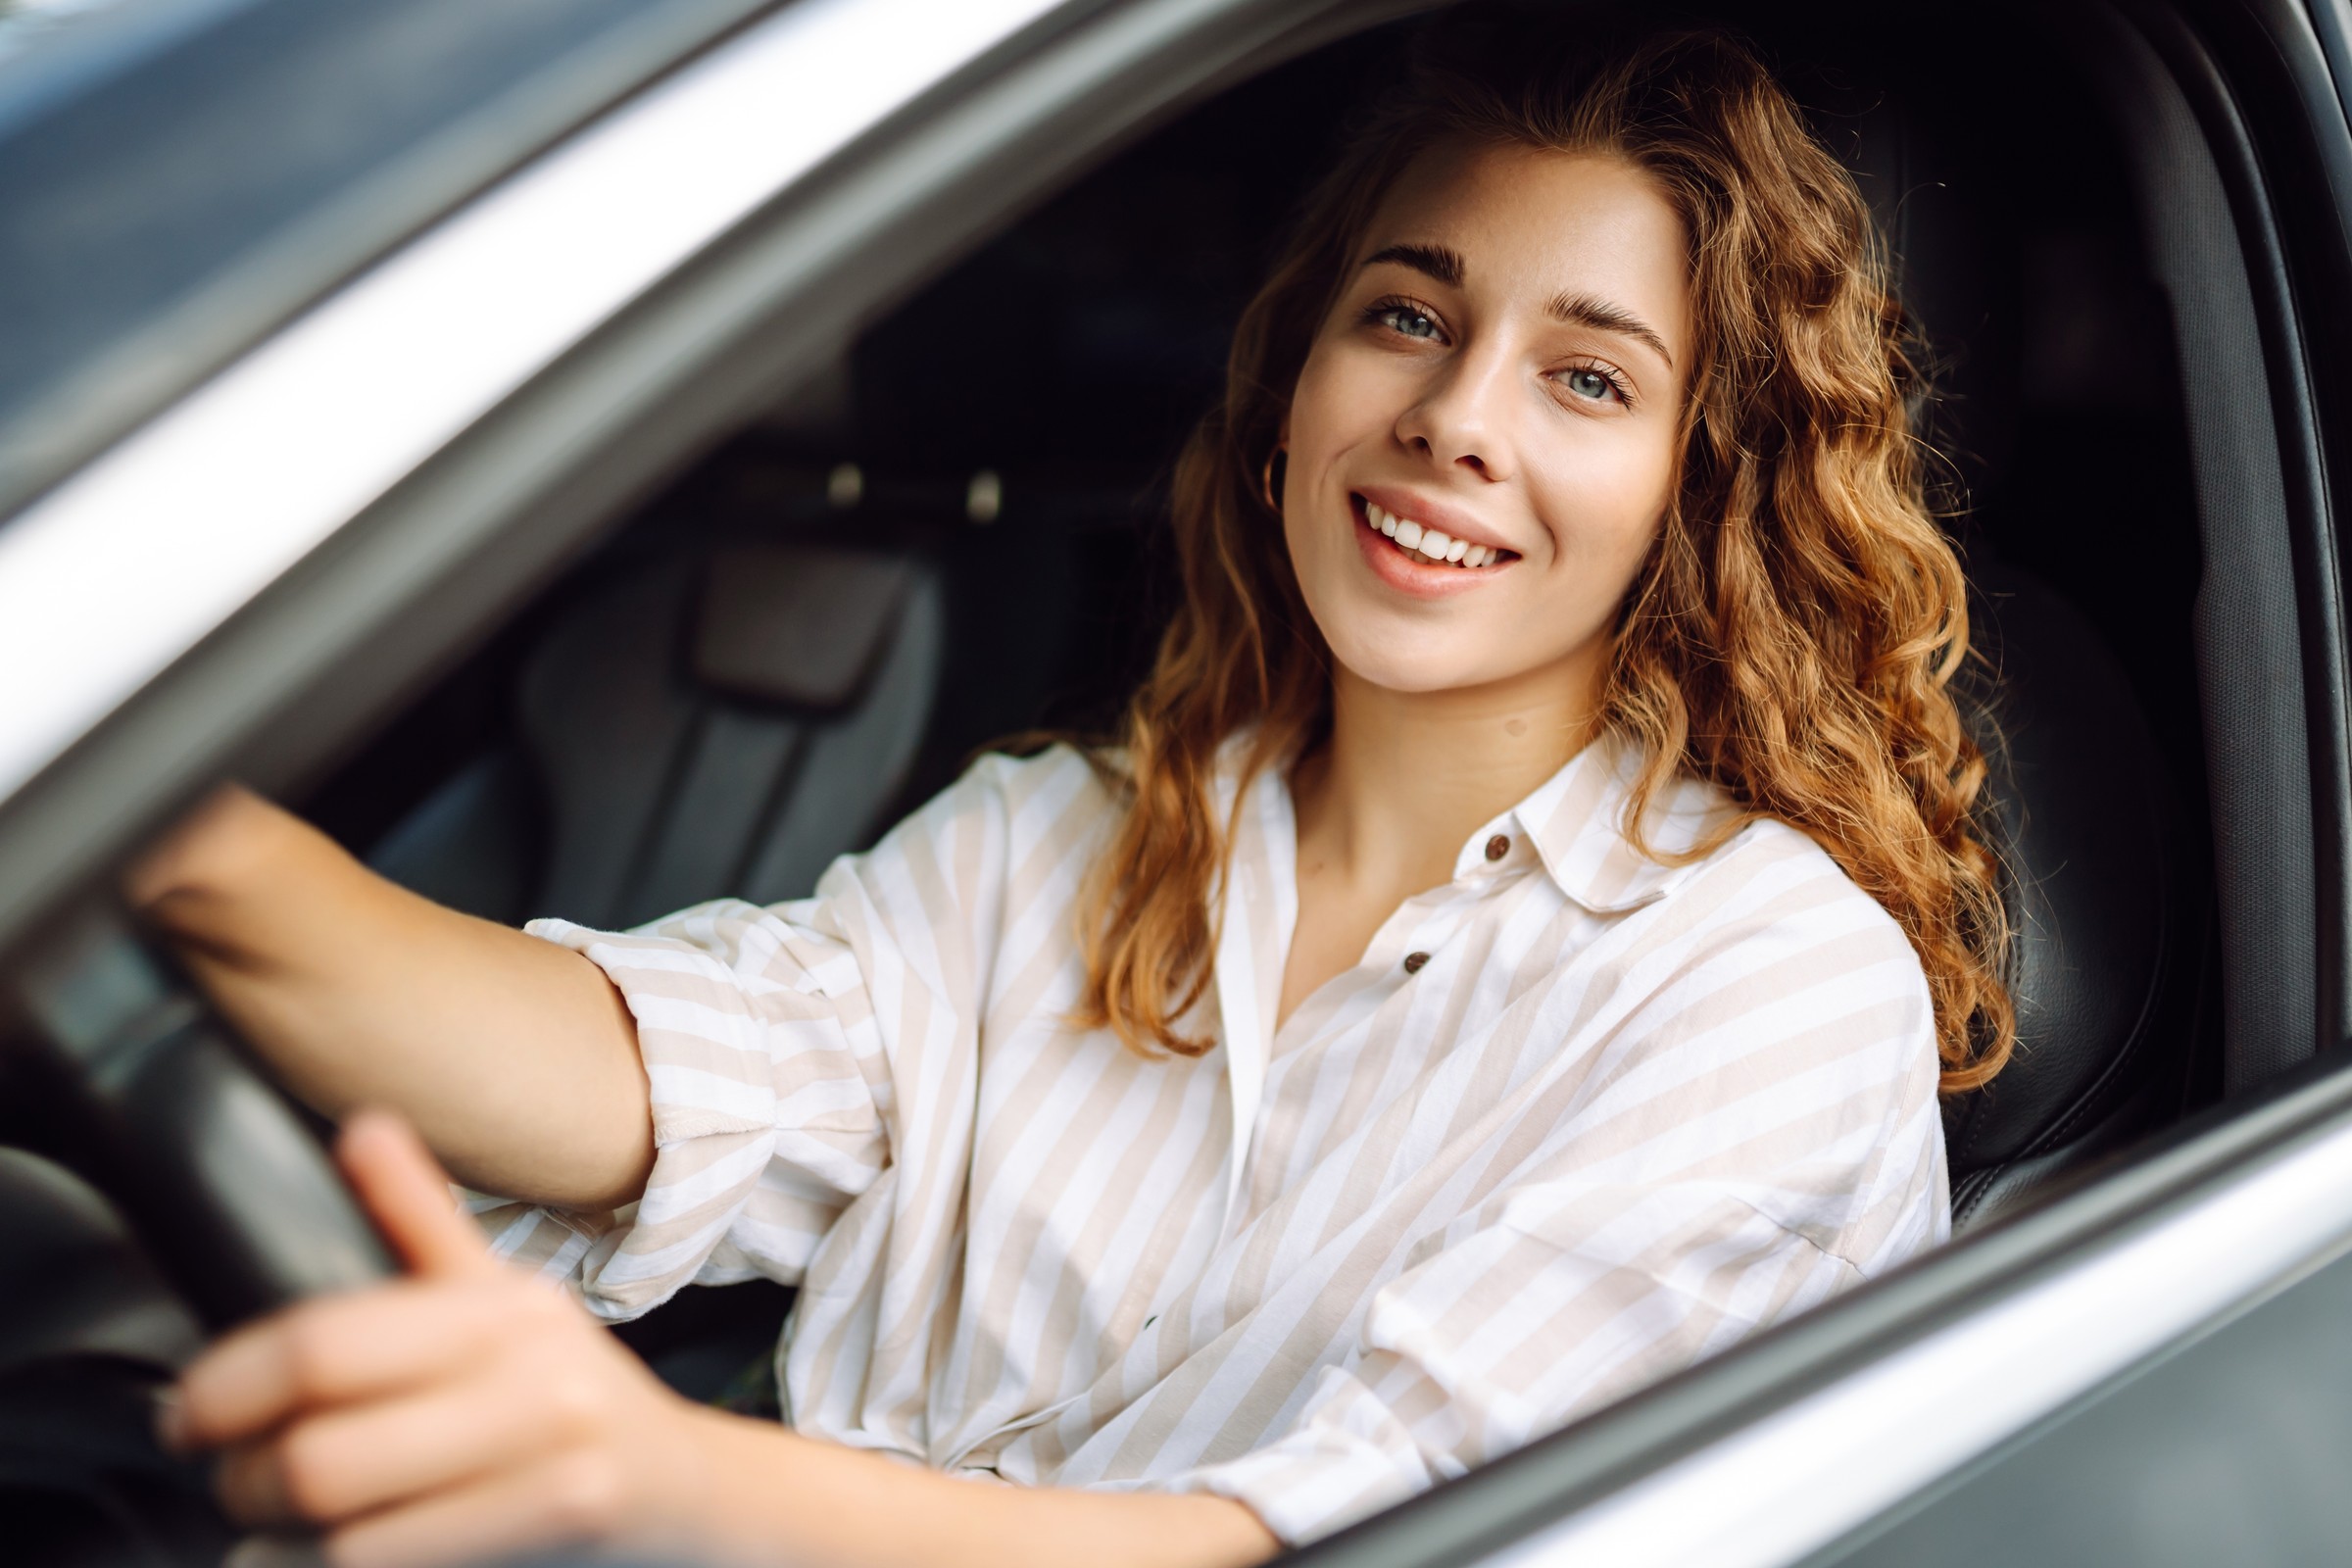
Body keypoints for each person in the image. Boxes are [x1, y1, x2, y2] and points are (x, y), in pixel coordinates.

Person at [131, 16, 2012, 1568]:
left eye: (1589, 381)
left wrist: (665, 1481)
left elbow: (1315, 1540)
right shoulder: (1067, 836)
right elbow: (646, 1072)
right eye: (1409, 317)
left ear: (1702, 486)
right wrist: (162, 846)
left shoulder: (1767, 988)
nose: (1457, 417)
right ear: (1295, 385)